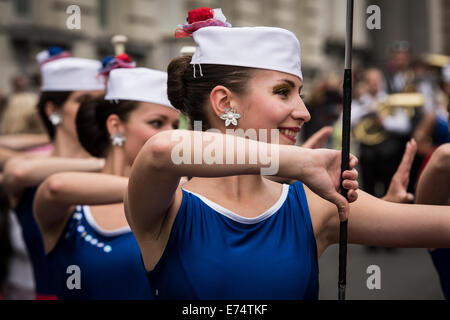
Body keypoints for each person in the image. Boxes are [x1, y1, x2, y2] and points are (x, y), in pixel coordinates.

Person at [125, 9, 450, 300]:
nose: (304, 111)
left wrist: (438, 164)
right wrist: (300, 162)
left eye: (301, 94)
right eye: (283, 92)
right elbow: (161, 149)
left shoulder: (315, 205)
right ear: (225, 104)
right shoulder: (167, 206)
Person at [34, 67, 180, 299]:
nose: (169, 135)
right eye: (156, 123)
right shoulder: (71, 209)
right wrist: (153, 189)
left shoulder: (178, 201)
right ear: (115, 126)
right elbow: (55, 187)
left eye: (174, 126)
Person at [3, 53, 105, 300]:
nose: (93, 109)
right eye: (83, 100)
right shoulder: (30, 167)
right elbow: (18, 172)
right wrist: (100, 163)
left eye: (100, 101)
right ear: (53, 109)